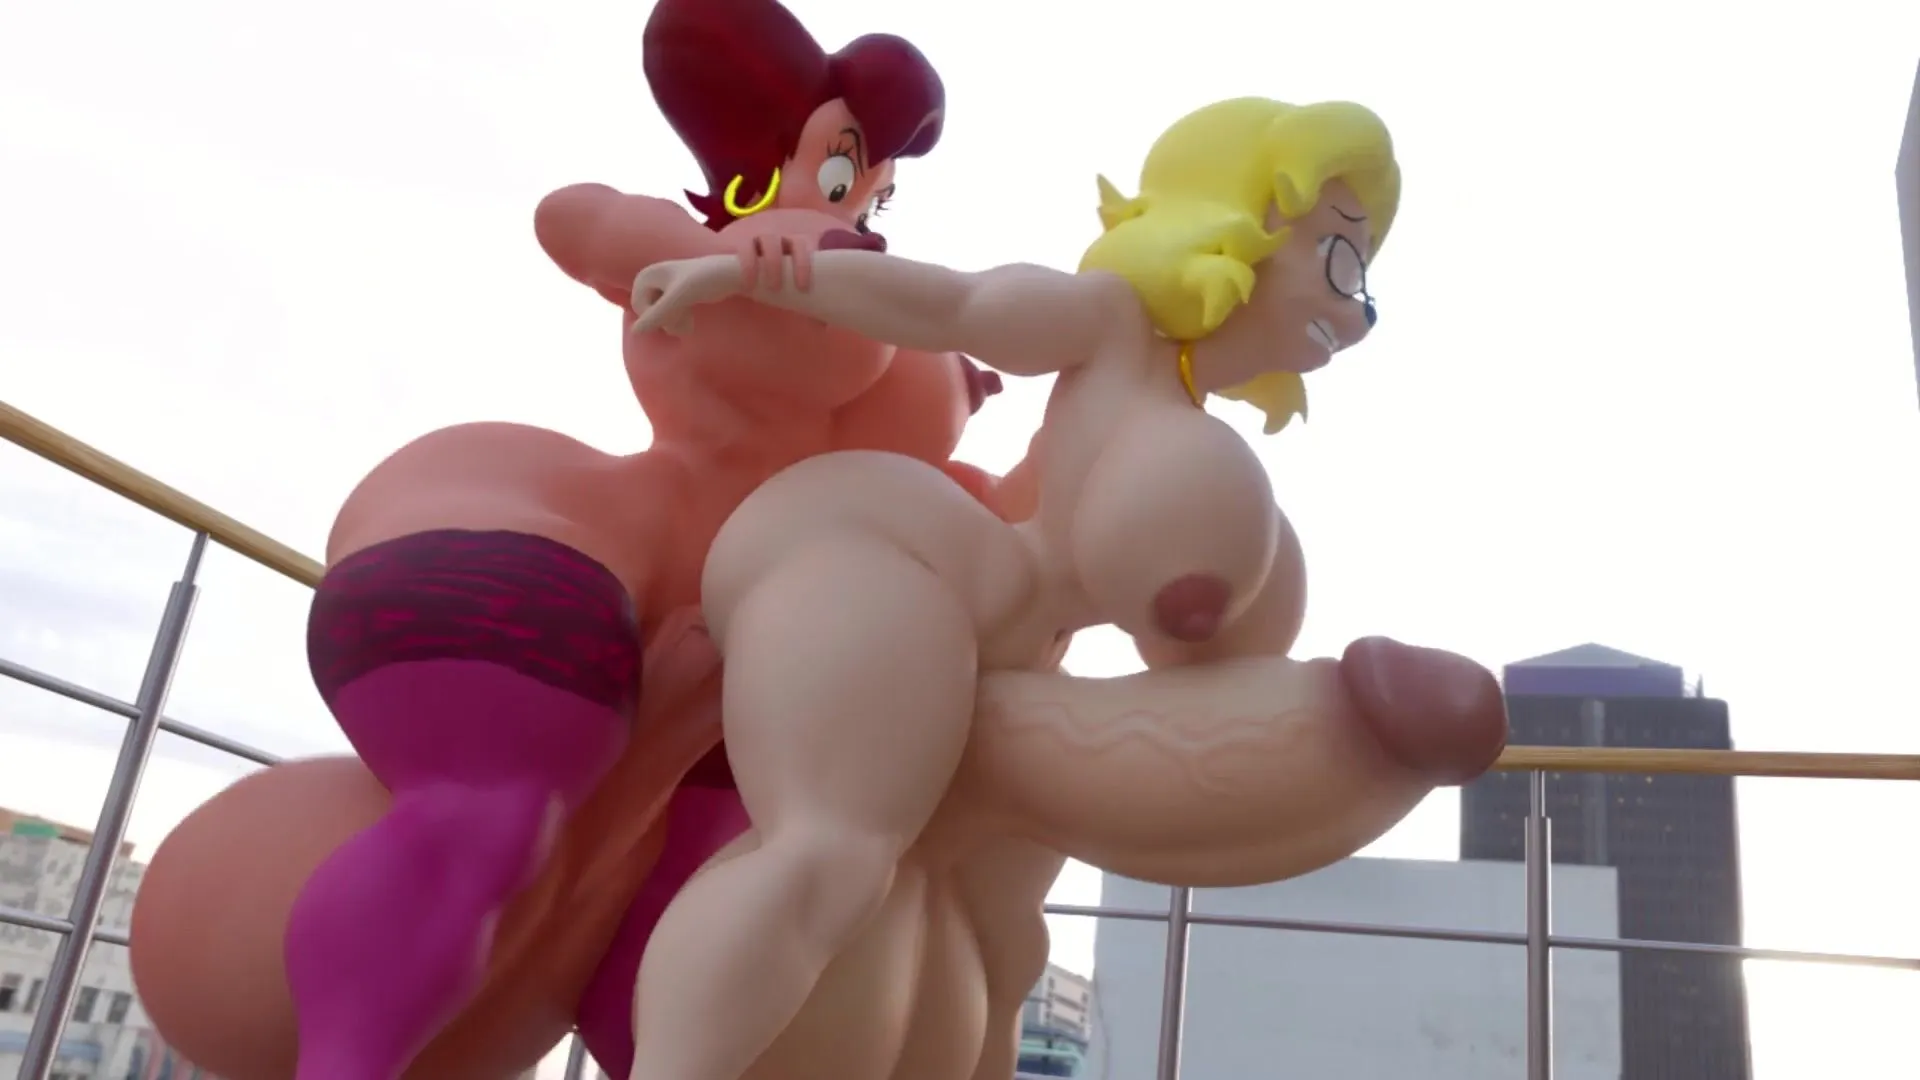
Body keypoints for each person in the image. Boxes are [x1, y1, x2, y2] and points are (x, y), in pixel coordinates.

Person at [622, 96, 1423, 1080]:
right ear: (1241, 224)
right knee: (829, 855)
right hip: (884, 564)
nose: (1355, 311)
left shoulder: (1186, 416)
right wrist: (754, 272)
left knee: (1003, 937)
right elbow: (955, 308)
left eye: (1363, 276)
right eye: (1340, 258)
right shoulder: (1112, 326)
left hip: (1007, 658)